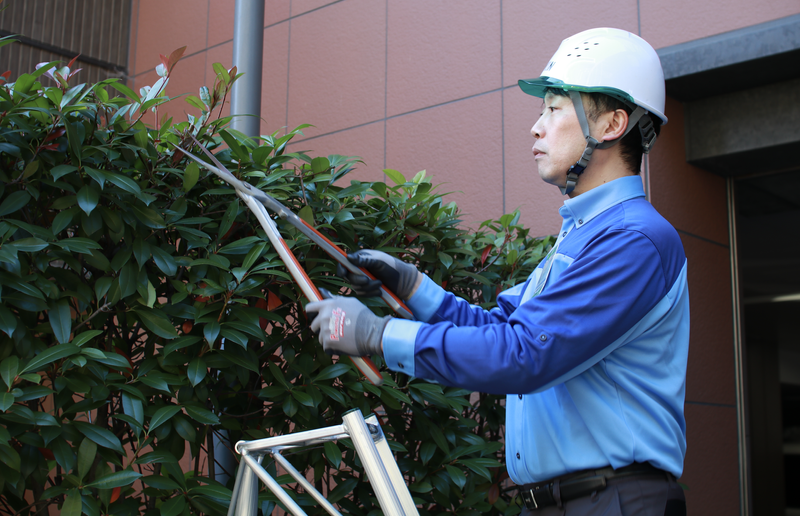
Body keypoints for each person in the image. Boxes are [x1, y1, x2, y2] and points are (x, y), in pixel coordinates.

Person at [307, 27, 689, 515]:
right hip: (571, 501)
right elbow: (505, 331)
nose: (536, 127)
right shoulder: (583, 235)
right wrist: (411, 285)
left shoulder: (634, 240)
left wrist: (379, 335)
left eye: (553, 109)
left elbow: (525, 354)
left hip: (613, 502)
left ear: (612, 124)